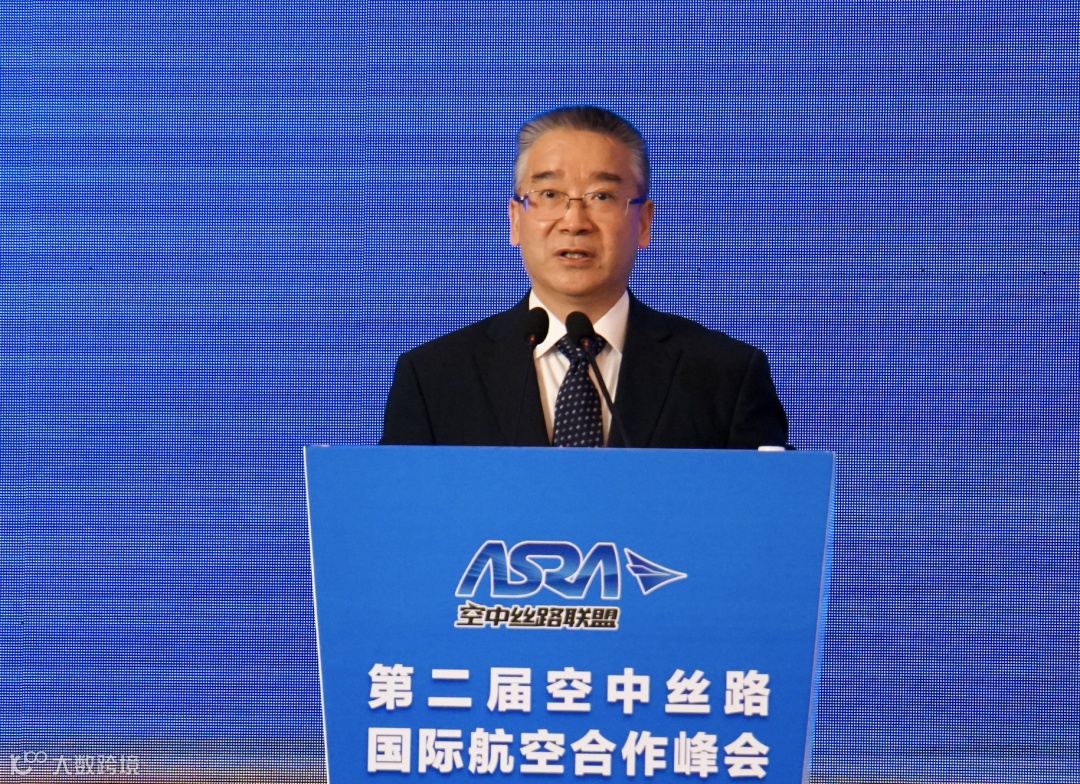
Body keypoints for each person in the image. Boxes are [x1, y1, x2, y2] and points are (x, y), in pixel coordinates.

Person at [380, 106, 788, 449]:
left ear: (643, 223)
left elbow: (767, 517)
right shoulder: (435, 378)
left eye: (601, 197)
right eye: (549, 195)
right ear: (516, 220)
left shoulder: (725, 376)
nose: (574, 222)